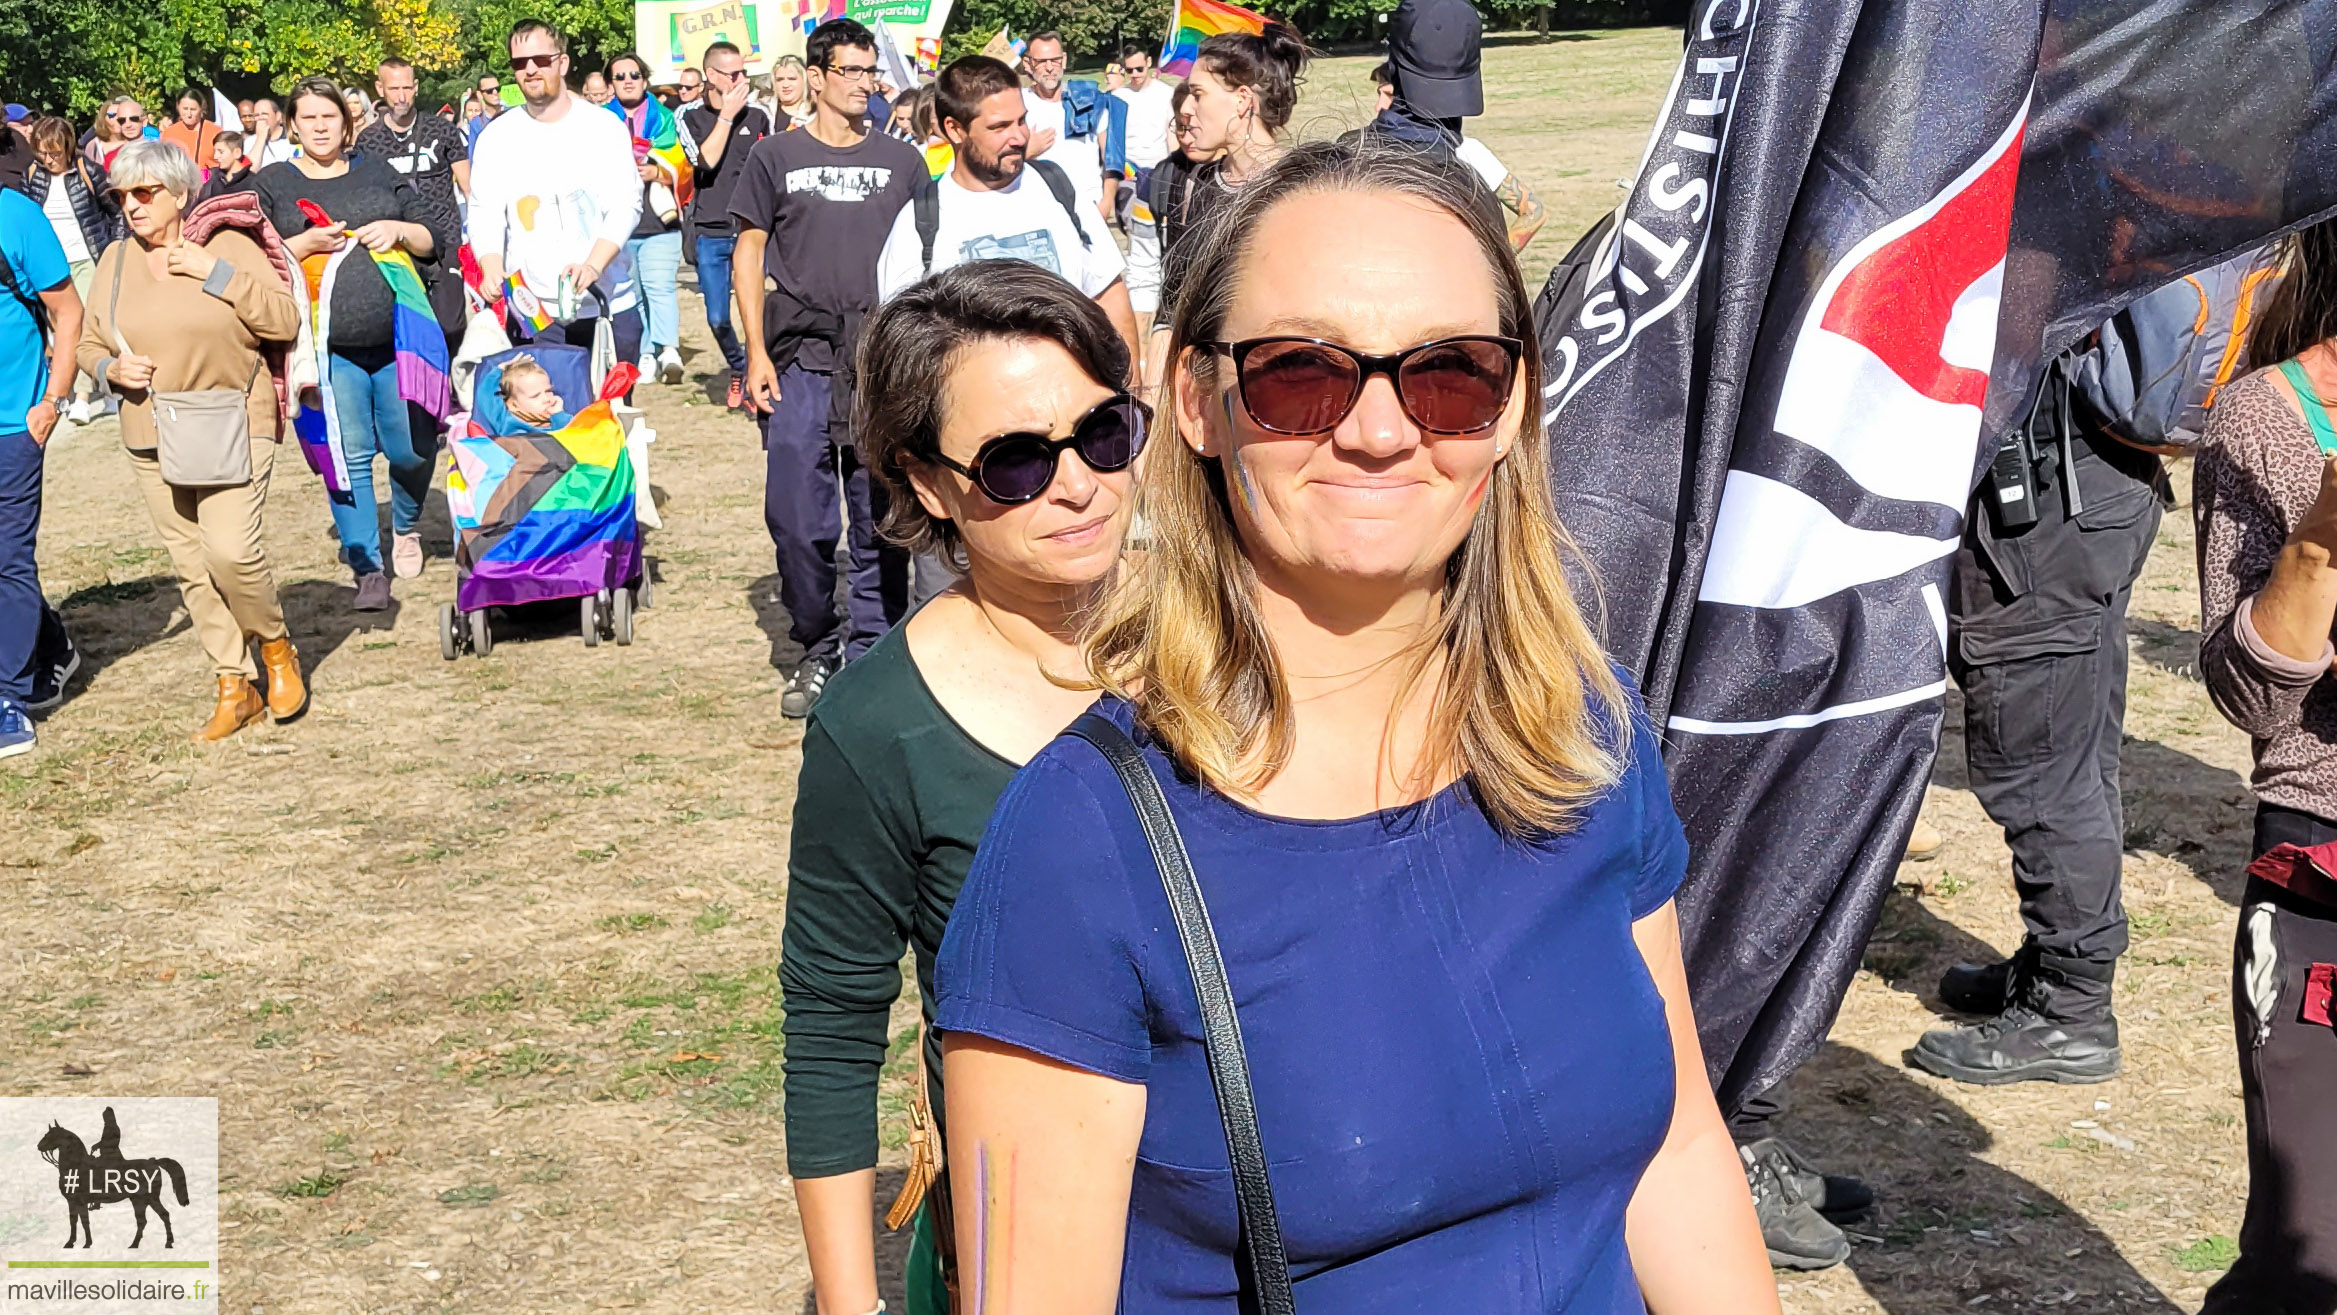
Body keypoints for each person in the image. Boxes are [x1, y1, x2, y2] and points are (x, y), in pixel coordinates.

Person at [930, 139, 1779, 1313]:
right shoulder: (1080, 848)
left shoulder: (1583, 731)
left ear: (1514, 402)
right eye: (1300, 373)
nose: (1380, 432)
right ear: (1197, 399)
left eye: (1450, 374)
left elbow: (1678, 1156)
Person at [783, 256, 1140, 1315]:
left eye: (1105, 433)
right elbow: (834, 1027)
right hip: (1025, 1253)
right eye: (1017, 463)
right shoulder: (877, 725)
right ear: (927, 481)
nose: (1077, 484)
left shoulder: (1234, 643)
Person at [2186, 219, 2337, 1313]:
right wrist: (2321, 542)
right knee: (2304, 1251)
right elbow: (2248, 694)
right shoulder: (2268, 419)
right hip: (2323, 863)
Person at [77, 139, 305, 741]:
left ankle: (276, 648)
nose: (132, 205)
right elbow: (89, 344)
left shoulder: (227, 245)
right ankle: (235, 682)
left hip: (233, 417)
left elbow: (282, 322)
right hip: (150, 428)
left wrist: (216, 275)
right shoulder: (115, 261)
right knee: (191, 565)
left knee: (229, 551)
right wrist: (108, 372)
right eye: (122, 195)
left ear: (180, 194)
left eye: (145, 192)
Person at [730, 16, 921, 717]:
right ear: (815, 78)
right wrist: (753, 352)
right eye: (852, 71)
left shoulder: (902, 162)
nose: (867, 84)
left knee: (881, 511)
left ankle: (872, 651)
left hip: (878, 360)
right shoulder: (773, 157)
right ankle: (816, 643)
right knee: (796, 514)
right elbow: (748, 251)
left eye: (872, 72)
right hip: (799, 356)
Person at [256, 76, 449, 610]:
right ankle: (367, 564)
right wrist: (303, 244)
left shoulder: (379, 172)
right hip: (324, 348)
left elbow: (432, 237)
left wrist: (396, 229)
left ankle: (406, 527)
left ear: (347, 123)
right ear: (292, 124)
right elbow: (252, 259)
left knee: (413, 447)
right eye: (309, 118)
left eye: (330, 117)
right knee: (347, 454)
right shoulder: (271, 182)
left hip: (398, 338)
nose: (320, 127)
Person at [875, 57, 1138, 367]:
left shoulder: (1060, 190)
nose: (1019, 137)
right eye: (1000, 127)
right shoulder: (919, 224)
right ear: (955, 130)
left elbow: (1109, 295)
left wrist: (1129, 400)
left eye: (1021, 121)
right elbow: (899, 349)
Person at [470, 19, 645, 375]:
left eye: (540, 60)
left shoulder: (603, 126)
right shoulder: (497, 136)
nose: (530, 70)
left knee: (607, 423)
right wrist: (489, 265)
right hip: (534, 310)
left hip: (607, 305)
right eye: (520, 63)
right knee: (546, 423)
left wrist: (592, 266)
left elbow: (626, 204)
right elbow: (484, 209)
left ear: (562, 63)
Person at [0, 175, 84, 757]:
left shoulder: (17, 217)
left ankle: (7, 695)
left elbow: (68, 311)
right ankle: (50, 646)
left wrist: (52, 400)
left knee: (7, 557)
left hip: (12, 422)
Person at [1154, 24, 1307, 321]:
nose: (1185, 107)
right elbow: (1177, 293)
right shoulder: (1196, 182)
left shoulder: (1299, 185)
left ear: (1242, 100)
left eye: (1198, 94)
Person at [1366, 48, 1545, 253]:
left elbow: (1533, 212)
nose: (1378, 106)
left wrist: (1495, 263)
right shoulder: (1371, 150)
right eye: (1378, 94)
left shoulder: (1466, 152)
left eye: (1388, 95)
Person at [678, 39, 771, 409]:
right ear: (711, 76)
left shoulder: (759, 115)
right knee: (718, 317)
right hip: (711, 230)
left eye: (744, 72)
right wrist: (727, 117)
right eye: (733, 74)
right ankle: (737, 365)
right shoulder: (688, 116)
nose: (741, 81)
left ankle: (754, 375)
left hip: (750, 228)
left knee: (757, 313)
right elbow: (705, 162)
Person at [20, 116, 120, 424]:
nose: (49, 160)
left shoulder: (90, 173)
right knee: (60, 331)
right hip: (50, 266)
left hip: (87, 258)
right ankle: (82, 392)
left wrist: (114, 252)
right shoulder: (32, 175)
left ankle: (84, 397)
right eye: (42, 153)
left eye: (54, 152)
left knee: (89, 327)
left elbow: (117, 213)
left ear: (67, 146)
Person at [607, 50, 685, 386]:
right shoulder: (599, 122)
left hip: (659, 221)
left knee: (660, 286)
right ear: (611, 84)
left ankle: (668, 349)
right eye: (620, 77)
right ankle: (643, 355)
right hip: (618, 227)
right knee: (632, 293)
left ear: (645, 80)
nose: (628, 82)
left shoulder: (665, 119)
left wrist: (658, 171)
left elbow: (683, 164)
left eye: (634, 75)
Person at [360, 58, 471, 227]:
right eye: (394, 89)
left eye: (407, 88)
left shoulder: (442, 130)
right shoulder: (368, 140)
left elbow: (469, 189)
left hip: (446, 239)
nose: (402, 97)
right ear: (380, 89)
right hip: (396, 245)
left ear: (416, 87)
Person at [1107, 43, 1173, 317]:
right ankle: (1141, 291)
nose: (1135, 74)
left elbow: (1172, 134)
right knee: (1134, 231)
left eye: (1139, 68)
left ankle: (1156, 287)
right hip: (1129, 175)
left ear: (1149, 63)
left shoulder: (1166, 94)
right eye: (1130, 69)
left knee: (1159, 233)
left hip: (1158, 173)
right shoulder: (1118, 97)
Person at [1020, 31, 1115, 220]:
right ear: (1028, 64)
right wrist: (1026, 152)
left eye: (1054, 60)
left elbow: (1111, 158)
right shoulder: (1018, 105)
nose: (1049, 68)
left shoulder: (1090, 100)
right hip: (1039, 211)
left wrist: (1107, 202)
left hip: (1089, 208)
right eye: (1041, 61)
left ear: (1063, 60)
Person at [497, 353, 570, 428]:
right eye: (535, 396)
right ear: (513, 405)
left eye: (548, 391)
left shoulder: (558, 420)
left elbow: (572, 433)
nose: (546, 399)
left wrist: (559, 414)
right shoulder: (508, 423)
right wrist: (499, 369)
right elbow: (487, 398)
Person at [160, 88, 221, 177]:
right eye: (185, 109)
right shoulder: (168, 133)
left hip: (210, 185)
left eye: (193, 109)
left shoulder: (215, 132)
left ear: (201, 109)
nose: (189, 114)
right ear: (178, 107)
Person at [198, 131, 257, 201]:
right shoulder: (213, 177)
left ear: (237, 153)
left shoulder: (253, 182)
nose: (215, 156)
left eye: (221, 152)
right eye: (215, 152)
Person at [765, 55, 815, 130]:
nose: (785, 85)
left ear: (804, 81)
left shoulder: (815, 116)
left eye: (792, 79)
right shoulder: (764, 112)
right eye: (780, 80)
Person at [246, 98, 296, 168]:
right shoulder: (249, 142)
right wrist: (261, 138)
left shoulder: (294, 139)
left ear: (278, 116)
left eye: (264, 114)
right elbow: (250, 169)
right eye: (256, 115)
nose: (260, 118)